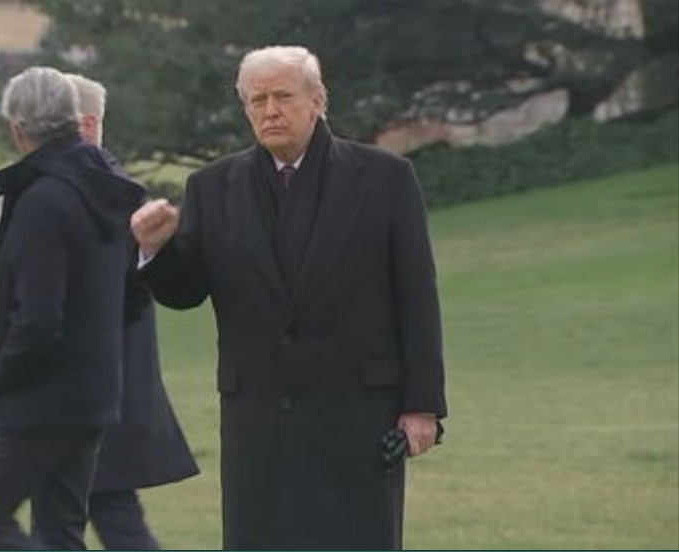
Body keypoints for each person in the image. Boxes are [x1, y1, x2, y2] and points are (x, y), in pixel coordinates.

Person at [130, 46, 448, 550]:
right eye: (257, 101)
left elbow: (417, 299)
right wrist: (155, 250)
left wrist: (422, 407)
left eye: (282, 96)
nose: (270, 111)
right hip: (258, 422)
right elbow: (187, 292)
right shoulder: (213, 187)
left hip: (356, 416)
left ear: (317, 100)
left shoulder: (386, 178)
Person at [0, 66, 145, 550]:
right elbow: (132, 294)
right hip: (93, 394)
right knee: (60, 532)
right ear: (74, 119)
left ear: (17, 129)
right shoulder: (106, 187)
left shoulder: (44, 199)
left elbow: (38, 318)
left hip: (39, 399)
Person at [30, 73, 199, 550]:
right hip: (92, 394)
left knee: (83, 522)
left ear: (85, 125)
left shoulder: (102, 199)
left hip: (87, 396)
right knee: (93, 518)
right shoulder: (100, 194)